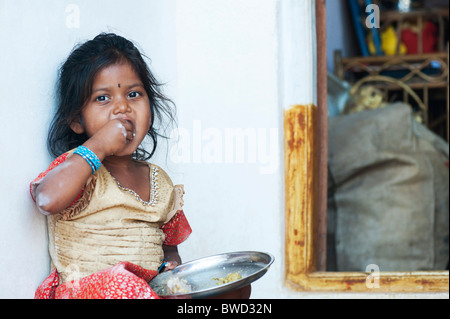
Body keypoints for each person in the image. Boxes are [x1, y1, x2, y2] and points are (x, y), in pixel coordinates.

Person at [30, 33, 190, 299]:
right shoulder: (80, 167)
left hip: (145, 292)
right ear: (76, 121)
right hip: (86, 292)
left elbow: (170, 247)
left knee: (235, 290)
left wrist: (170, 270)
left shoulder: (160, 182)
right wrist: (99, 146)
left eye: (134, 94)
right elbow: (46, 199)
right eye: (103, 98)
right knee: (126, 286)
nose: (122, 108)